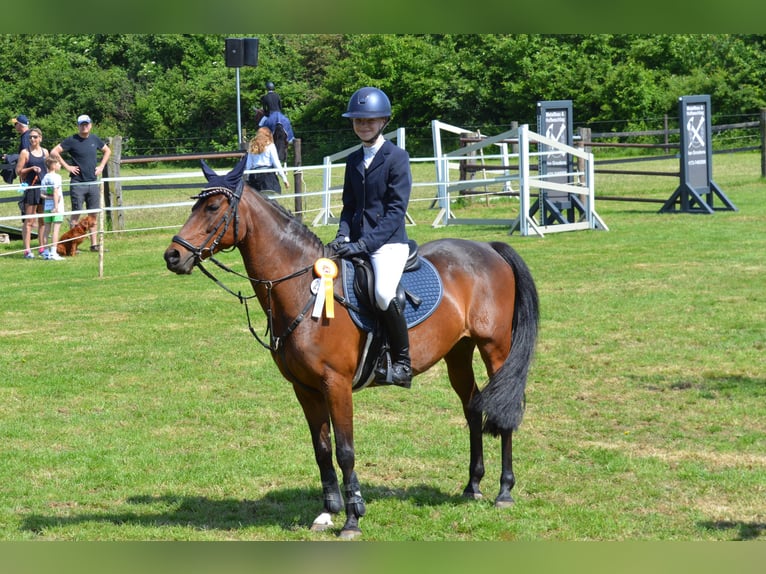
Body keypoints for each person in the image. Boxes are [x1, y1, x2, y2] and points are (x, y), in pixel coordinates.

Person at [327, 87, 413, 388]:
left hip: (388, 244)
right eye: (358, 121)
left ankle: (402, 362)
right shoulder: (352, 160)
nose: (363, 126)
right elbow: (349, 207)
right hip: (356, 243)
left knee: (382, 293)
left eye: (370, 121)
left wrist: (365, 244)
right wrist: (342, 235)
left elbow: (395, 212)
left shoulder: (397, 158)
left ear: (384, 121)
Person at [51, 114, 111, 252]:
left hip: (92, 182)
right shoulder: (72, 140)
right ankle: (73, 245)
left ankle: (94, 244)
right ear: (78, 126)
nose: (84, 126)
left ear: (90, 125)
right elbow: (54, 151)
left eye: (86, 124)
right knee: (76, 213)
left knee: (93, 214)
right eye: (82, 124)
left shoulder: (95, 139)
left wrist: (101, 166)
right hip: (77, 183)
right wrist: (67, 166)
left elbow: (107, 150)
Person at [16, 127, 48, 258]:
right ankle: (27, 250)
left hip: (44, 188)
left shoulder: (45, 152)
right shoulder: (25, 152)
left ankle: (42, 248)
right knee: (29, 221)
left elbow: (50, 166)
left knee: (43, 220)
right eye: (30, 137)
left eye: (35, 137)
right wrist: (30, 168)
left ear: (40, 138)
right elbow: (18, 171)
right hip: (31, 188)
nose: (32, 139)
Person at [245, 127, 290, 194]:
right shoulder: (270, 146)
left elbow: (248, 165)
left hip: (254, 176)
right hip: (267, 176)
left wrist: (247, 178)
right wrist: (284, 178)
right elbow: (276, 163)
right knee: (269, 201)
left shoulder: (252, 146)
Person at [40, 155, 65, 261]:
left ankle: (45, 252)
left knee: (46, 229)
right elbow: (55, 192)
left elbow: (42, 194)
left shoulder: (45, 177)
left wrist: (49, 198)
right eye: (59, 163)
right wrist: (55, 206)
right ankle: (53, 252)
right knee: (55, 230)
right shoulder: (57, 177)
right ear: (54, 165)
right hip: (56, 207)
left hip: (47, 207)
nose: (60, 165)